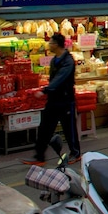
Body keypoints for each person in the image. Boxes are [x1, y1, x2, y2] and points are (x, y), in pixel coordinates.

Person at [26, 33, 80, 165]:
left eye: (50, 43)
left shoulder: (68, 61)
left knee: (69, 129)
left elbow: (59, 79)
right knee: (45, 128)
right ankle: (39, 156)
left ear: (56, 45)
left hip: (66, 100)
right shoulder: (53, 60)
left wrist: (45, 90)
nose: (49, 45)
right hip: (53, 100)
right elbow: (53, 79)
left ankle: (76, 153)